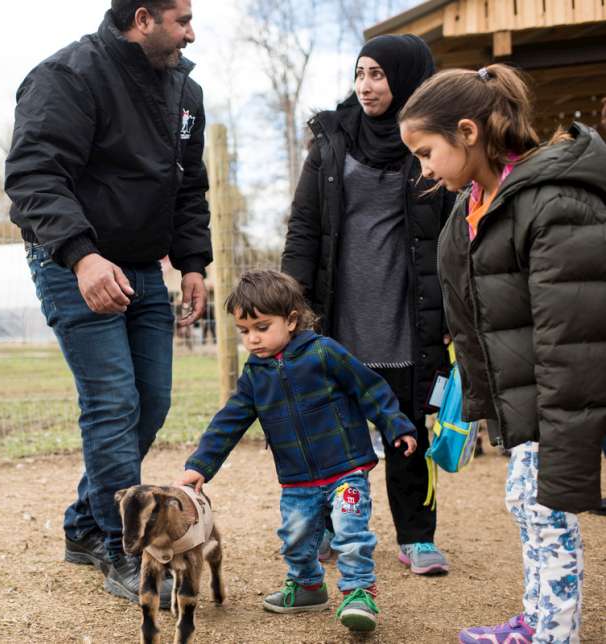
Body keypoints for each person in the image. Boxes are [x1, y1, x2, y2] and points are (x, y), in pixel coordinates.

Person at [5, 0, 211, 604]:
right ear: (142, 18)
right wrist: (82, 255)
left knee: (152, 399)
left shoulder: (185, 91)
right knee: (112, 400)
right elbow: (34, 176)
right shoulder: (67, 77)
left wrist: (193, 261)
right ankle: (127, 544)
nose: (191, 32)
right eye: (182, 20)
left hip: (144, 265)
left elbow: (189, 183)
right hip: (76, 262)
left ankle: (83, 524)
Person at [399, 63, 606, 644]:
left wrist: (562, 445)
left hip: (558, 400)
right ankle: (538, 618)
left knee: (548, 513)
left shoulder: (552, 203)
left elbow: (573, 338)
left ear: (468, 131)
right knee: (527, 507)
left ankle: (553, 634)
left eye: (426, 152)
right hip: (529, 402)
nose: (424, 169)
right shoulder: (478, 204)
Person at [281, 34, 454, 575]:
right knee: (333, 431)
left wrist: (455, 315)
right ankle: (331, 529)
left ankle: (417, 537)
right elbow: (305, 225)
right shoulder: (330, 139)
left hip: (409, 313)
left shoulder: (432, 143)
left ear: (406, 78)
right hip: (339, 316)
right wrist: (290, 299)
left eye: (378, 74)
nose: (366, 86)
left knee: (409, 430)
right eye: (360, 73)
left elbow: (454, 235)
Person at [176, 270, 418, 632]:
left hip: (346, 468)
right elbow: (229, 422)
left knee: (351, 531)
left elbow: (370, 389)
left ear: (290, 320)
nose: (252, 339)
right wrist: (199, 466)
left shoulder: (324, 352)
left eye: (261, 327)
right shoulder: (255, 375)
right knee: (296, 537)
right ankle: (307, 586)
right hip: (297, 479)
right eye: (244, 331)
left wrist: (396, 424)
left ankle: (358, 593)